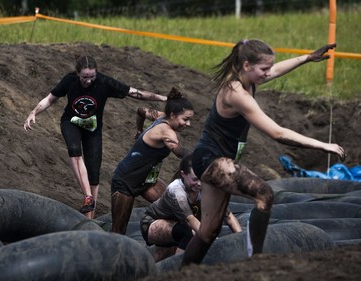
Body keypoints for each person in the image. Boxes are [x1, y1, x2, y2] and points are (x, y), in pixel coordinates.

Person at [181, 39, 347, 266]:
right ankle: (255, 261)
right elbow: (277, 133)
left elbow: (276, 69)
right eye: (264, 69)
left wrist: (307, 58)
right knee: (264, 195)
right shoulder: (236, 92)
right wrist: (323, 145)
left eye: (269, 68)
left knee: (209, 232)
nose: (268, 74)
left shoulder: (247, 76)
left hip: (211, 160)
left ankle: (184, 272)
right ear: (247, 65)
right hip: (212, 160)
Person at [23, 55, 167, 219]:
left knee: (94, 173)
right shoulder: (69, 81)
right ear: (78, 74)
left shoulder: (104, 82)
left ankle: (89, 218)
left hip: (93, 129)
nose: (89, 81)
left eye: (92, 77)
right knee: (74, 149)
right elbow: (50, 99)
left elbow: (135, 93)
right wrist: (33, 112)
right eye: (85, 77)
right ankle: (88, 197)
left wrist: (162, 98)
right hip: (72, 123)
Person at [111, 87, 194, 234]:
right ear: (173, 115)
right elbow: (180, 152)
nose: (188, 124)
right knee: (118, 231)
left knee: (176, 208)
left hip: (147, 181)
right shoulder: (166, 132)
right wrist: (203, 156)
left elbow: (141, 110)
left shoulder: (162, 116)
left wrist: (139, 130)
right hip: (125, 181)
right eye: (185, 119)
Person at [140, 153, 242, 262]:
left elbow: (227, 216)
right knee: (188, 233)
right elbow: (190, 220)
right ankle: (179, 271)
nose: (199, 184)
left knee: (160, 261)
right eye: (194, 179)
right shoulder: (176, 191)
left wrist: (242, 238)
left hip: (176, 223)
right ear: (183, 174)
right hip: (153, 222)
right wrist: (214, 242)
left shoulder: (206, 187)